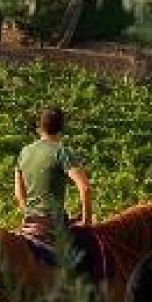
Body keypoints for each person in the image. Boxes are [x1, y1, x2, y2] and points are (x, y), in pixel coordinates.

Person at [15, 106, 92, 250]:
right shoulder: (62, 152)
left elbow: (19, 194)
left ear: (39, 128)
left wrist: (30, 214)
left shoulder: (24, 153)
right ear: (62, 129)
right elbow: (85, 188)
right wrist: (86, 221)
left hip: (28, 224)